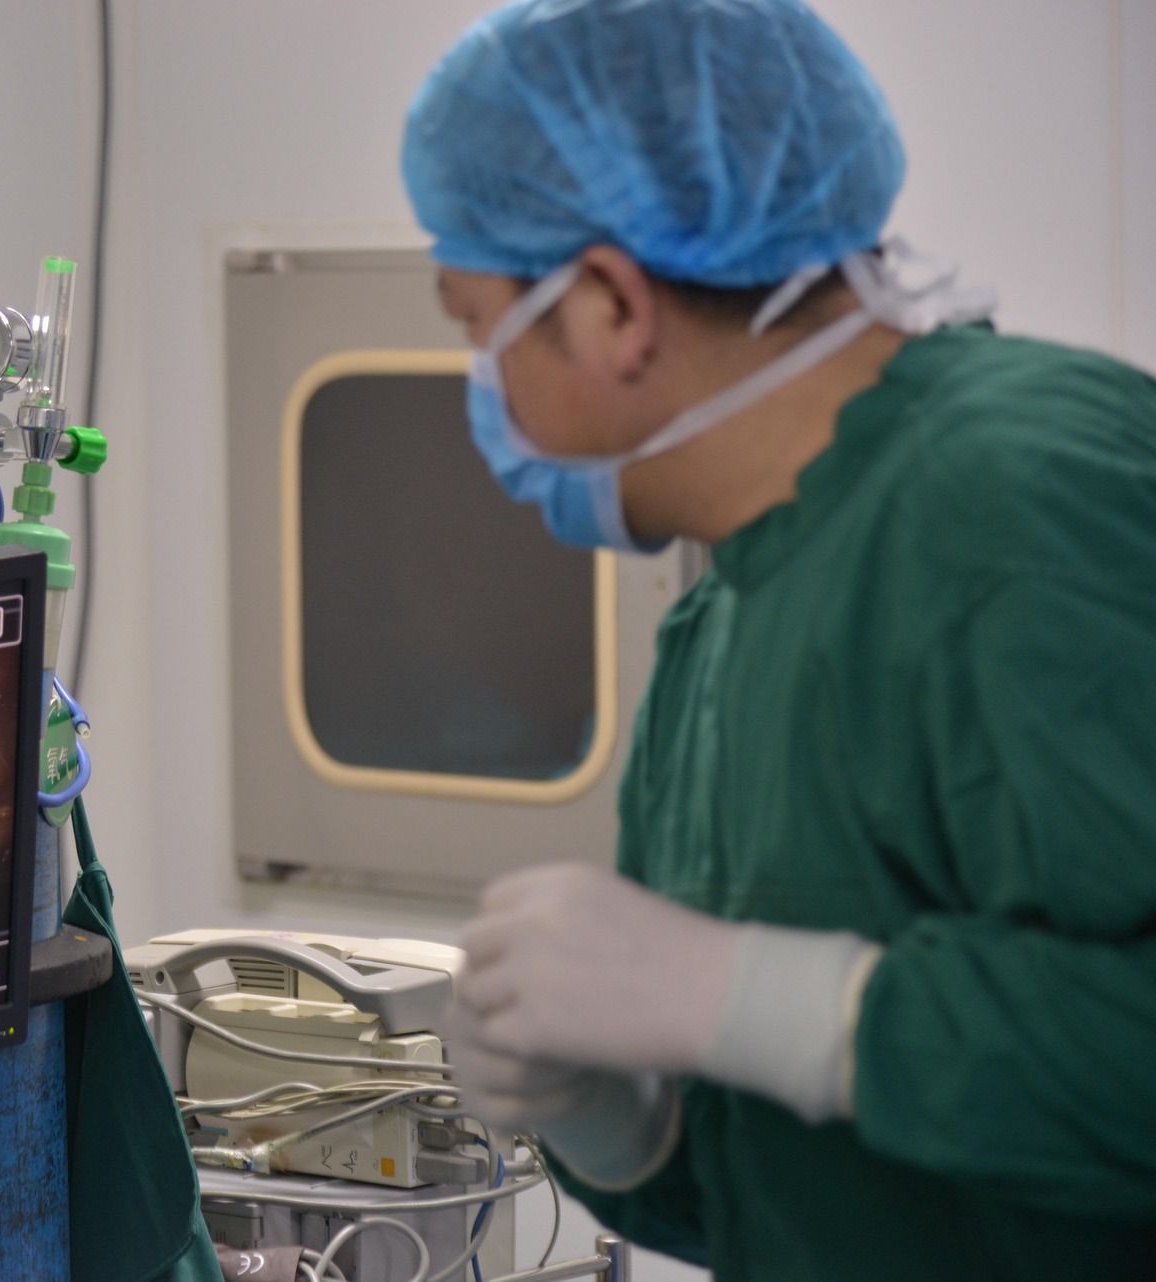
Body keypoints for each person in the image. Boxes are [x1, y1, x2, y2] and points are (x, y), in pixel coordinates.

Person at [400, 2, 1156, 1278]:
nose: (490, 395)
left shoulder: (1022, 494)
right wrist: (620, 1122)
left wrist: (771, 1004)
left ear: (609, 306)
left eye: (481, 331)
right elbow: (793, 1197)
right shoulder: (723, 620)